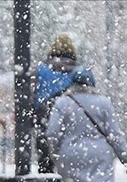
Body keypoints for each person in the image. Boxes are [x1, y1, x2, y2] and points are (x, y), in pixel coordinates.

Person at [32, 34, 81, 174]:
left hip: (44, 118)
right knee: (69, 162)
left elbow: (32, 95)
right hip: (70, 120)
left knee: (45, 160)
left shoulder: (41, 69)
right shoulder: (78, 71)